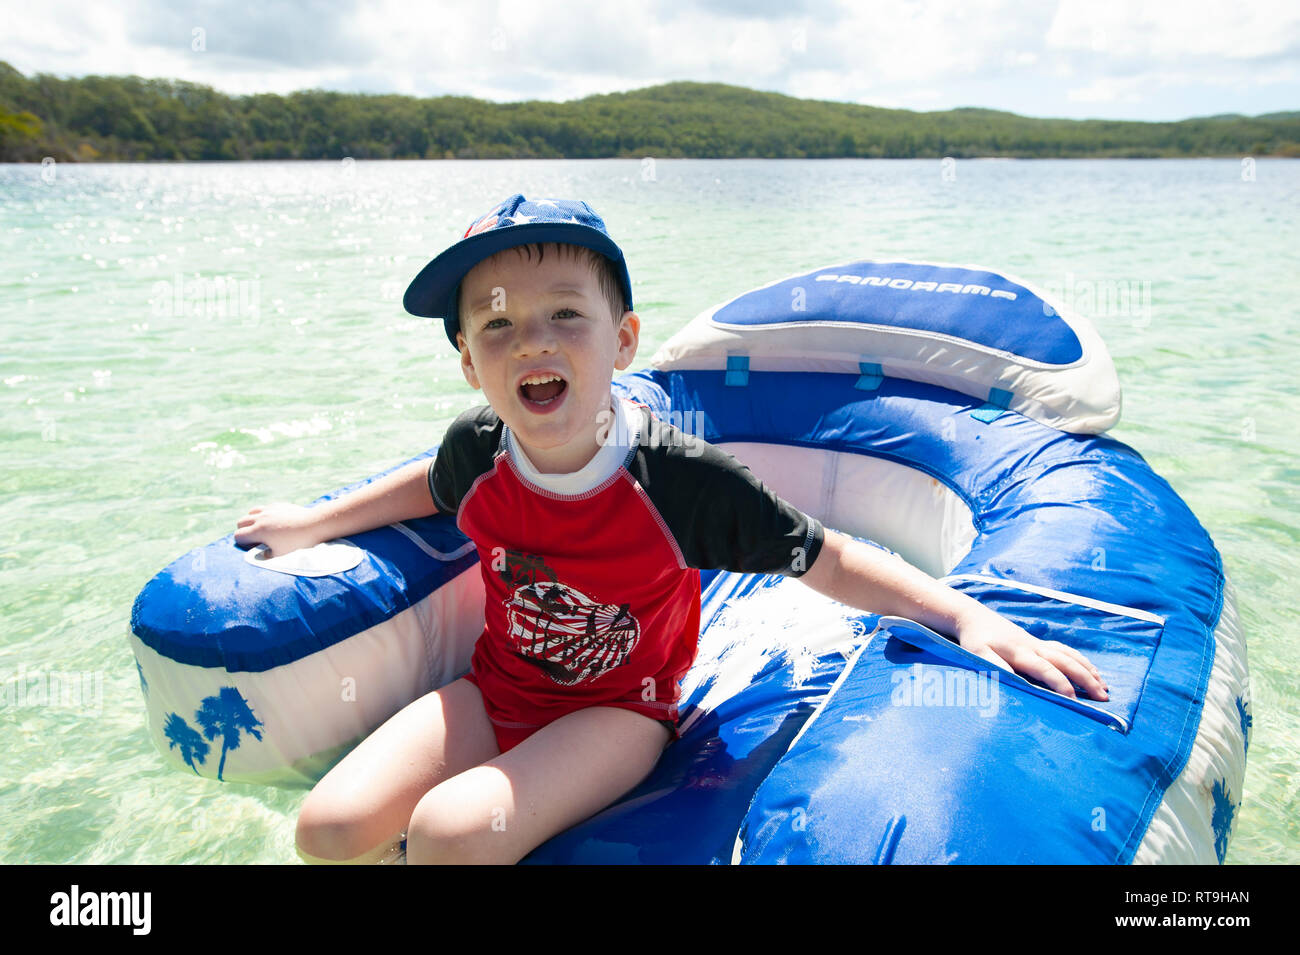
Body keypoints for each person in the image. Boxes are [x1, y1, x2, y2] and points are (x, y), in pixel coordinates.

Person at [234, 194, 1108, 865]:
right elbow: (421, 488)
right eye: (497, 323)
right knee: (328, 827)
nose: (532, 341)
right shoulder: (480, 446)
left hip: (619, 710)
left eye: (564, 315)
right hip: (496, 688)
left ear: (623, 340)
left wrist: (966, 617)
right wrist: (312, 521)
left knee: (451, 833)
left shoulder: (676, 479)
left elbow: (827, 556)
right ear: (469, 360)